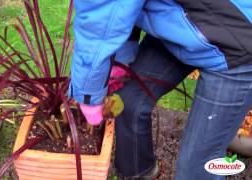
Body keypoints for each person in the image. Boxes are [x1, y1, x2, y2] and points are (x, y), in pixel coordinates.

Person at [69, 1, 252, 179]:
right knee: (128, 102)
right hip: (181, 27)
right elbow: (117, 13)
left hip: (237, 45)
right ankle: (139, 173)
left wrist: (88, 98)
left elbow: (98, 33)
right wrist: (121, 60)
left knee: (196, 168)